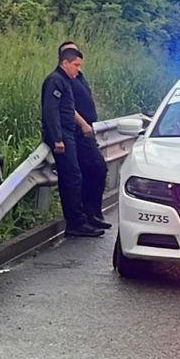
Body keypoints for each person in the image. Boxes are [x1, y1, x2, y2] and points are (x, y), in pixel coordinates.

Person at [42, 47, 104, 238]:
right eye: (75, 65)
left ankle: (83, 218)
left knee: (77, 176)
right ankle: (75, 223)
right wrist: (57, 138)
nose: (78, 69)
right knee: (71, 177)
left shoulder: (66, 81)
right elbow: (51, 112)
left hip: (69, 133)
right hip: (62, 135)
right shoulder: (55, 80)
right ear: (65, 62)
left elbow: (68, 109)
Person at [59, 40, 110, 226]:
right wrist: (83, 124)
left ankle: (93, 213)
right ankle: (88, 215)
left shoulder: (78, 76)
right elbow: (67, 106)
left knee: (93, 172)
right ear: (64, 59)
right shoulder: (63, 80)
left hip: (87, 130)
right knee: (96, 168)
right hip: (77, 131)